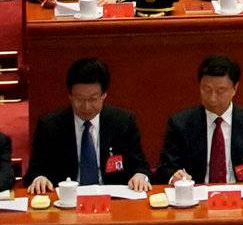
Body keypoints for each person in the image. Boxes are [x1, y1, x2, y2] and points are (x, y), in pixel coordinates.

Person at [26, 57, 151, 194]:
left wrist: (140, 175)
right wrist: (39, 178)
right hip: (67, 201)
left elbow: (140, 166)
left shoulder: (123, 121)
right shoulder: (50, 126)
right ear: (70, 96)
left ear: (104, 95)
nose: (86, 106)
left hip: (113, 199)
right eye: (79, 99)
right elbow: (34, 170)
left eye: (92, 99)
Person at [157, 55, 243, 187]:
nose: (212, 98)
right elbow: (165, 169)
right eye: (207, 89)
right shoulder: (180, 123)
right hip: (196, 197)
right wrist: (174, 176)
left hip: (242, 195)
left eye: (221, 90)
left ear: (235, 88)